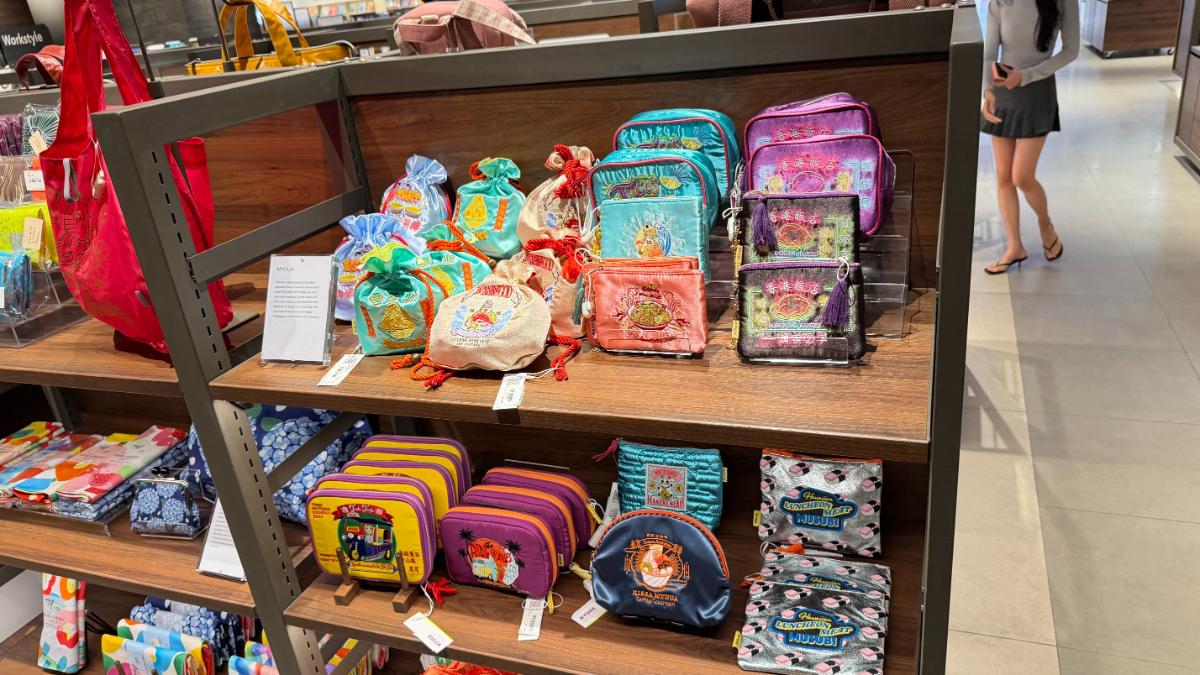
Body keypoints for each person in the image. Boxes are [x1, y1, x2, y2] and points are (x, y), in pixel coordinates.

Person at [980, 0, 1079, 274]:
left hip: (1038, 91)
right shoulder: (1000, 2)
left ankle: (1046, 226)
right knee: (1003, 176)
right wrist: (987, 90)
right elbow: (989, 53)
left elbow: (1071, 51)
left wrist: (1025, 76)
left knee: (1021, 176)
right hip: (1004, 91)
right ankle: (1015, 247)